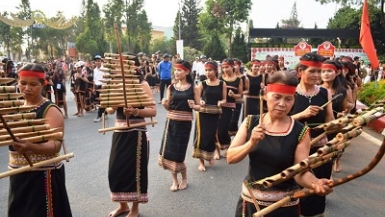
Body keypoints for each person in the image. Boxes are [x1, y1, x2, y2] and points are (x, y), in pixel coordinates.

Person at [227, 71, 333, 217]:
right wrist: (251, 143)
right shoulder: (250, 122)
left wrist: (316, 183)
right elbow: (230, 158)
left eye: (288, 99)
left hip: (285, 206)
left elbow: (300, 172)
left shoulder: (301, 132)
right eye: (277, 97)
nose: (282, 104)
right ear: (265, 95)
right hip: (251, 202)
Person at [8, 63, 72, 217]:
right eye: (23, 83)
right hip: (18, 173)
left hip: (43, 175)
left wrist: (30, 146)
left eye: (33, 84)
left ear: (43, 85)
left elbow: (55, 145)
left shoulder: (50, 110)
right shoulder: (15, 108)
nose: (27, 88)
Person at [105, 56, 156, 217]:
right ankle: (123, 206)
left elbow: (152, 111)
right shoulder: (115, 84)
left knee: (136, 172)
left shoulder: (142, 84)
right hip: (119, 132)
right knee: (115, 170)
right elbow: (109, 109)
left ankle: (135, 209)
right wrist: (112, 105)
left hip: (136, 133)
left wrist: (135, 111)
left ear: (134, 68)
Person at [291, 52, 334, 217]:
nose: (317, 75)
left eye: (319, 71)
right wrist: (302, 115)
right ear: (300, 71)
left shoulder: (324, 93)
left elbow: (330, 121)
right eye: (312, 71)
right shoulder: (291, 93)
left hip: (319, 150)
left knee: (317, 190)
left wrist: (334, 132)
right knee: (295, 189)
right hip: (294, 150)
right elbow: (280, 121)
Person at [159, 60, 201, 191]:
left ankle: (184, 178)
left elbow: (199, 106)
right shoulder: (171, 87)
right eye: (175, 70)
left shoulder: (193, 87)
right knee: (170, 152)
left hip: (184, 124)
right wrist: (164, 103)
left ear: (187, 72)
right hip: (171, 122)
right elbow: (168, 107)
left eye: (179, 70)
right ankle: (174, 180)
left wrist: (194, 106)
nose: (176, 73)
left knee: (179, 153)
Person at [192, 61, 226, 171]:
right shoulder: (202, 84)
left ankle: (210, 155)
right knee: (201, 137)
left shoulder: (222, 84)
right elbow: (196, 97)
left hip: (215, 113)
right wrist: (200, 101)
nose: (208, 72)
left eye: (210, 70)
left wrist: (222, 102)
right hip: (202, 113)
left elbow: (224, 99)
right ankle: (201, 162)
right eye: (206, 70)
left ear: (215, 70)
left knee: (212, 136)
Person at [217, 58, 243, 157]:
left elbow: (240, 95)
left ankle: (228, 147)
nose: (225, 69)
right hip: (219, 106)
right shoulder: (220, 78)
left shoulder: (238, 80)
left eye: (227, 67)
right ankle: (218, 150)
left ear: (232, 67)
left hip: (230, 107)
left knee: (225, 129)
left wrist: (233, 95)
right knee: (217, 129)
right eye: (223, 67)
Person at [93, 55, 105, 122]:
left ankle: (99, 116)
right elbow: (94, 80)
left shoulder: (104, 69)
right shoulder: (94, 70)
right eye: (96, 61)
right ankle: (104, 112)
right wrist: (94, 88)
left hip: (103, 86)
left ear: (101, 61)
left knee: (101, 102)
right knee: (99, 102)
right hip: (97, 86)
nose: (97, 62)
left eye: (99, 61)